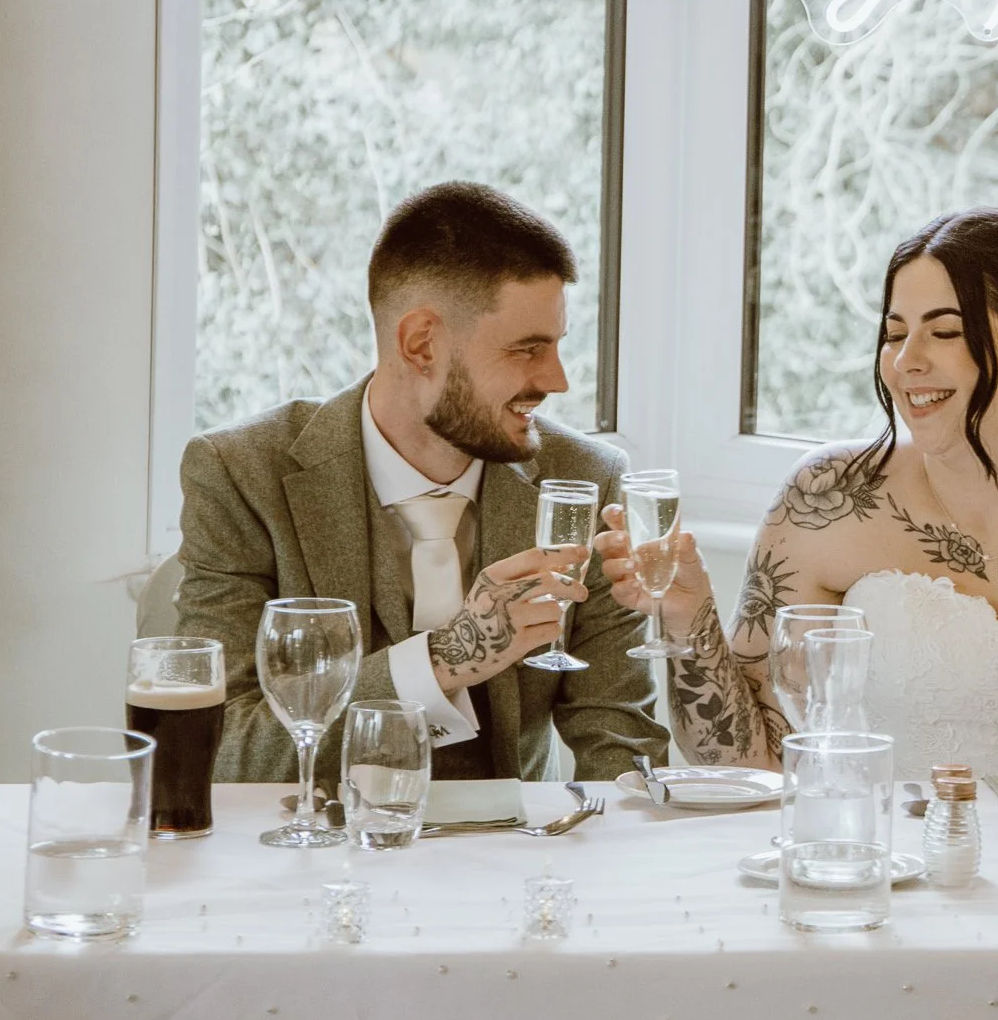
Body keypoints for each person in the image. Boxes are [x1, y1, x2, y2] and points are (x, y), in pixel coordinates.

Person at [595, 209, 998, 779]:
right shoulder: (824, 499)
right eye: (895, 333)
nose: (904, 362)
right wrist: (690, 619)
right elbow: (750, 764)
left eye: (943, 333)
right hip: (881, 866)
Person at [178, 181, 668, 783]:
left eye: (557, 346)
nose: (557, 379)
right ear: (420, 343)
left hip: (514, 861)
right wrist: (447, 657)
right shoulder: (242, 475)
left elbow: (621, 747)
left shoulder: (584, 480)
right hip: (320, 861)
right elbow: (216, 749)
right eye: (527, 349)